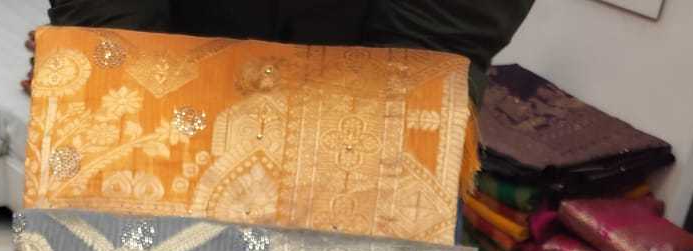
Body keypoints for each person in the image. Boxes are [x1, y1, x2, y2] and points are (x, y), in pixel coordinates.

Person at [45, 0, 536, 98]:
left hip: (395, 92)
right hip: (160, 79)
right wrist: (119, 63)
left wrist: (401, 91)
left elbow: (449, 25)